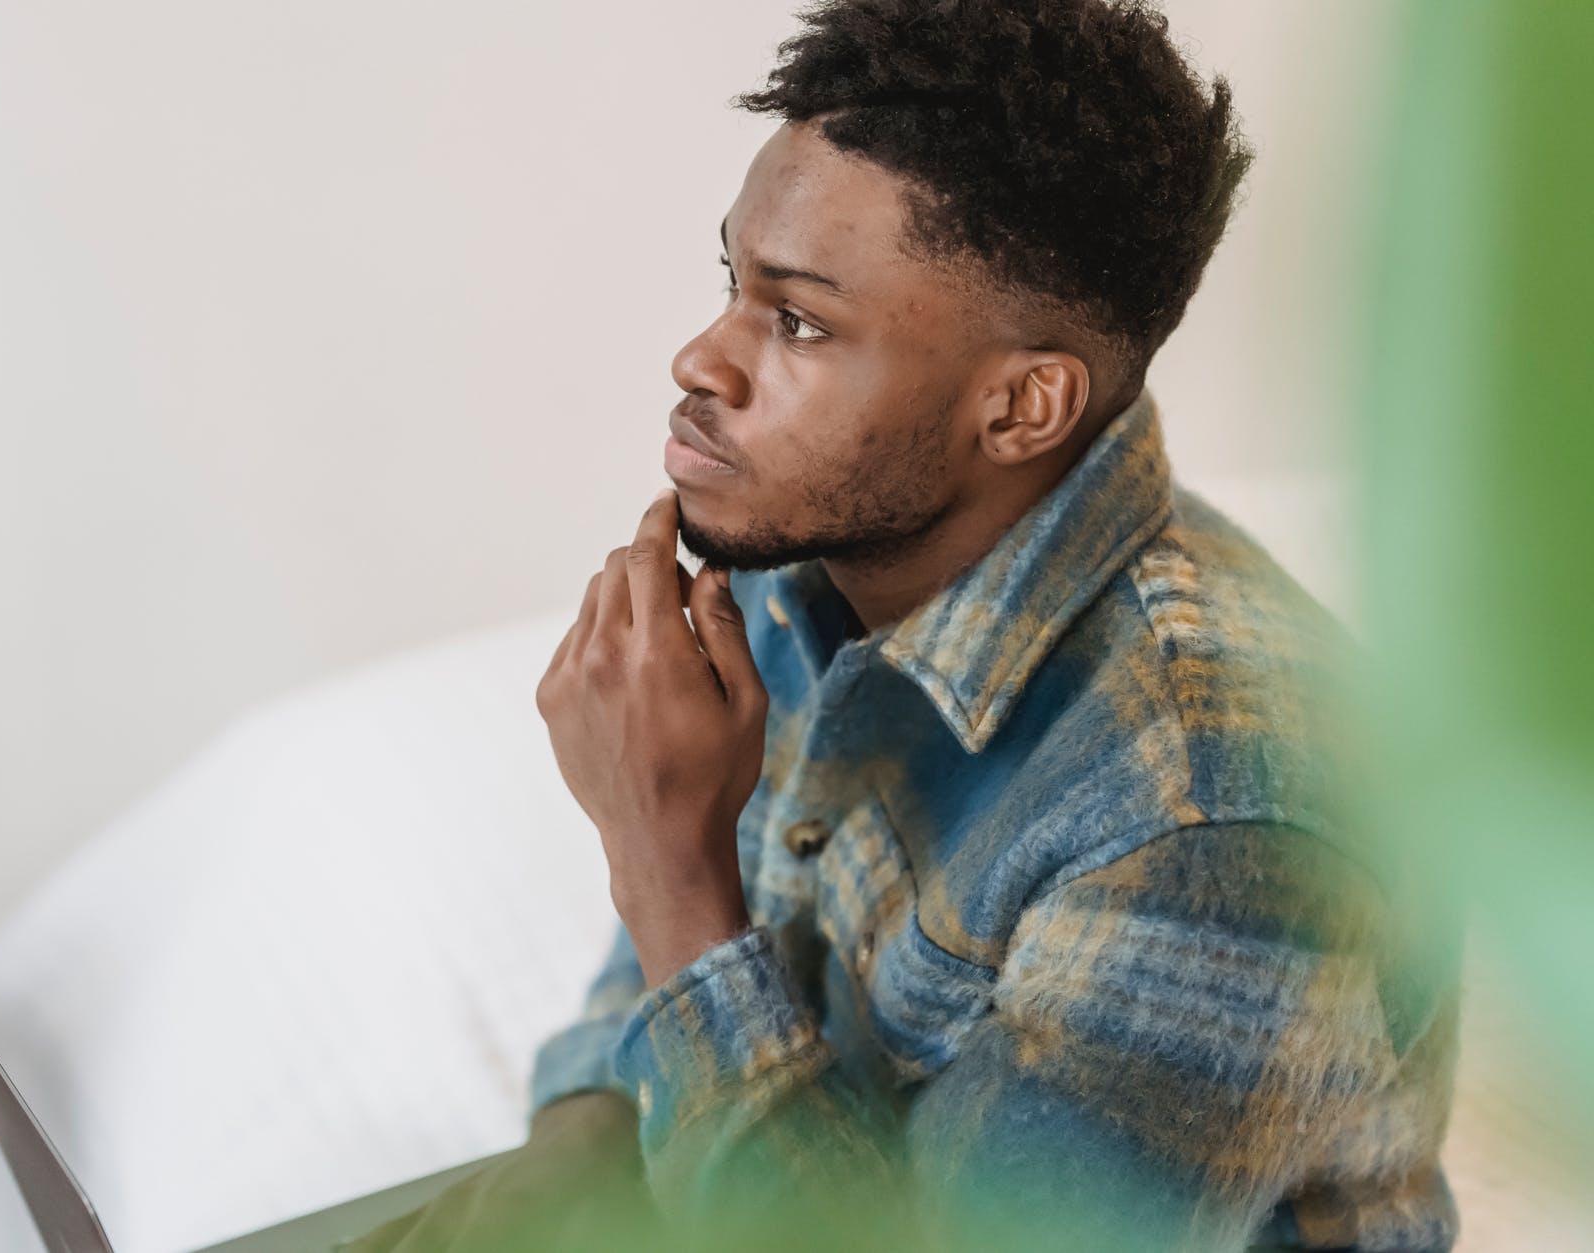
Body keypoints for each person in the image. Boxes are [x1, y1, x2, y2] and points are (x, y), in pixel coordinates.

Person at [357, 1, 1459, 1249]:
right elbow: (709, 956)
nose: (698, 360)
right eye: (735, 282)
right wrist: (581, 1142)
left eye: (799, 322)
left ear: (1022, 406)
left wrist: (666, 870)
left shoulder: (1215, 818)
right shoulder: (817, 548)